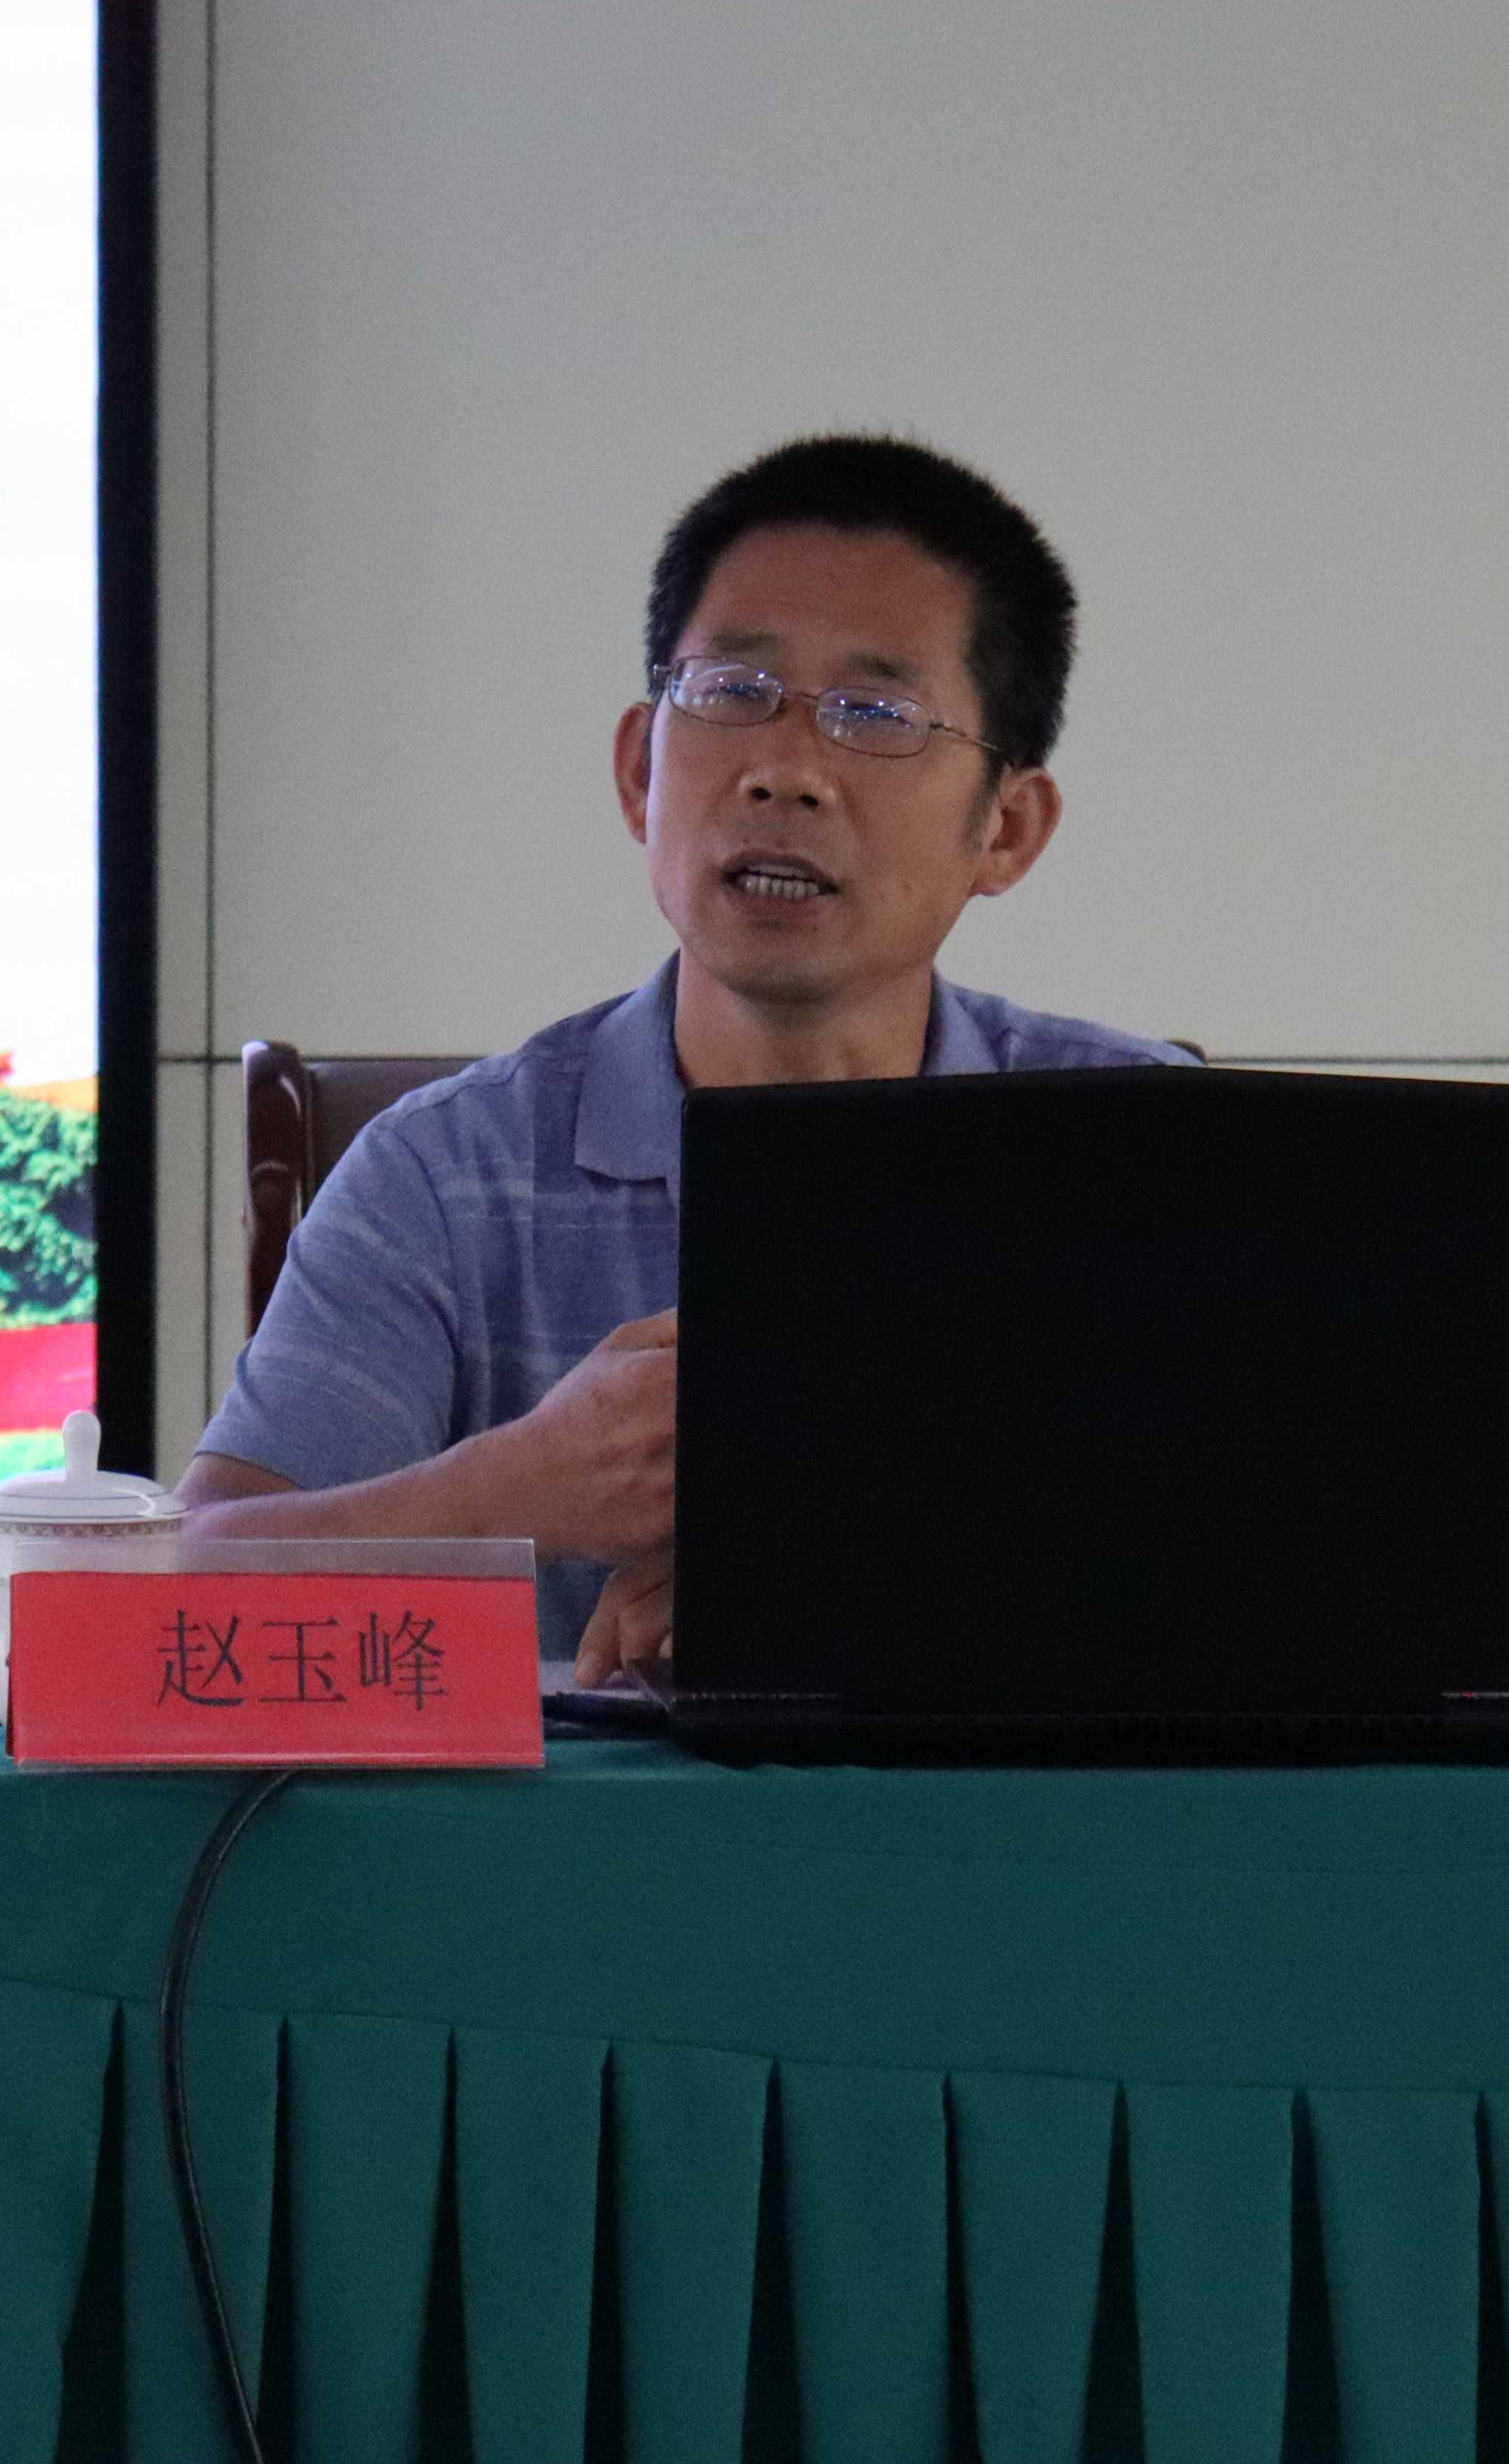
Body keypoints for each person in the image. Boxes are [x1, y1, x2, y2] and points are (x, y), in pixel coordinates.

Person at [179, 434, 1181, 1678]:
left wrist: (845, 1594)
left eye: (875, 715)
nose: (786, 772)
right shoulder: (445, 1177)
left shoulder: (1145, 1154)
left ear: (1009, 830)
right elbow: (173, 1599)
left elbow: (1305, 1571)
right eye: (734, 692)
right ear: (638, 771)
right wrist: (518, 1491)